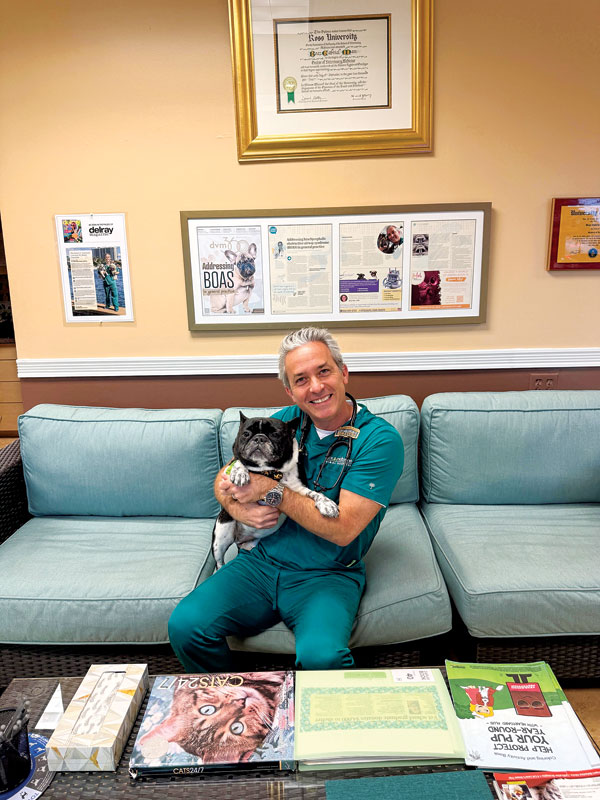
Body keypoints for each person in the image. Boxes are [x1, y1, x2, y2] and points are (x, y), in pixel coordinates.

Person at [168, 327, 404, 672]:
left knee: (321, 657)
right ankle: (236, 708)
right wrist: (237, 508)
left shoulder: (379, 440)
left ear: (344, 372)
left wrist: (268, 491)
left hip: (327, 573)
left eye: (324, 371)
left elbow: (343, 530)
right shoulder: (282, 424)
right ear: (290, 391)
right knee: (186, 626)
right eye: (301, 380)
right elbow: (225, 477)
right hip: (260, 562)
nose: (316, 387)